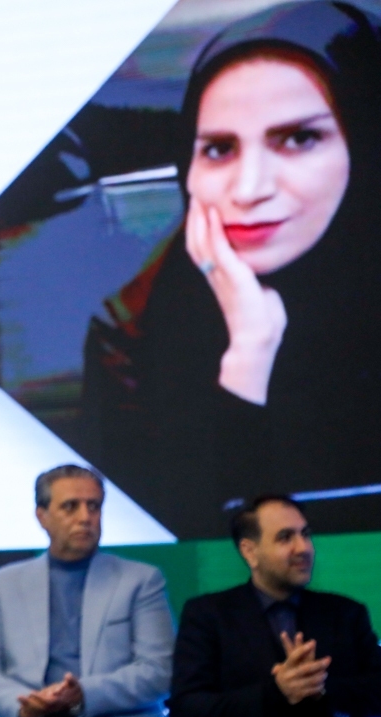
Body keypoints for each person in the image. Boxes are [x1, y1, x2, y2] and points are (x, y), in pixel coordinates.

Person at [82, 2, 381, 539]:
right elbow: (186, 533)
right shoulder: (130, 331)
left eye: (298, 139)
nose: (249, 189)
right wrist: (248, 357)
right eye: (219, 149)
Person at [0, 465, 181, 717]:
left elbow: (160, 671)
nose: (85, 517)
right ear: (42, 515)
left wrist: (84, 693)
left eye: (94, 506)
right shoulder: (4, 584)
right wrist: (23, 706)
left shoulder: (141, 580)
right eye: (70, 506)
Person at [170, 494, 381, 717]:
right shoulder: (208, 615)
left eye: (305, 534)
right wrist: (276, 693)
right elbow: (187, 711)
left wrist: (322, 689)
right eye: (285, 537)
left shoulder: (346, 613)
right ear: (250, 551)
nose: (303, 548)